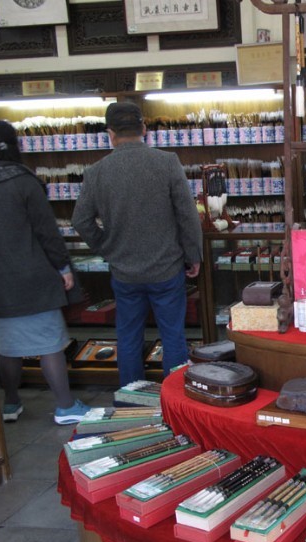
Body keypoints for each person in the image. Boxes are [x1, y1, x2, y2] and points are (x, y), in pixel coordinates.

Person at [72, 101, 203, 387]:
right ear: (144, 128)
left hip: (124, 272)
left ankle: (131, 400)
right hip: (167, 268)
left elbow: (80, 220)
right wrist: (193, 255)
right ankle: (174, 399)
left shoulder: (97, 172)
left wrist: (106, 248)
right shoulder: (167, 162)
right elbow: (187, 214)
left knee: (128, 337)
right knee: (173, 337)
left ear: (110, 134)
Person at [0, 120, 89, 425]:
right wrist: (63, 267)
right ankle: (65, 406)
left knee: (7, 349)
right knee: (49, 345)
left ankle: (11, 403)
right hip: (33, 281)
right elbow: (47, 232)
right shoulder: (24, 181)